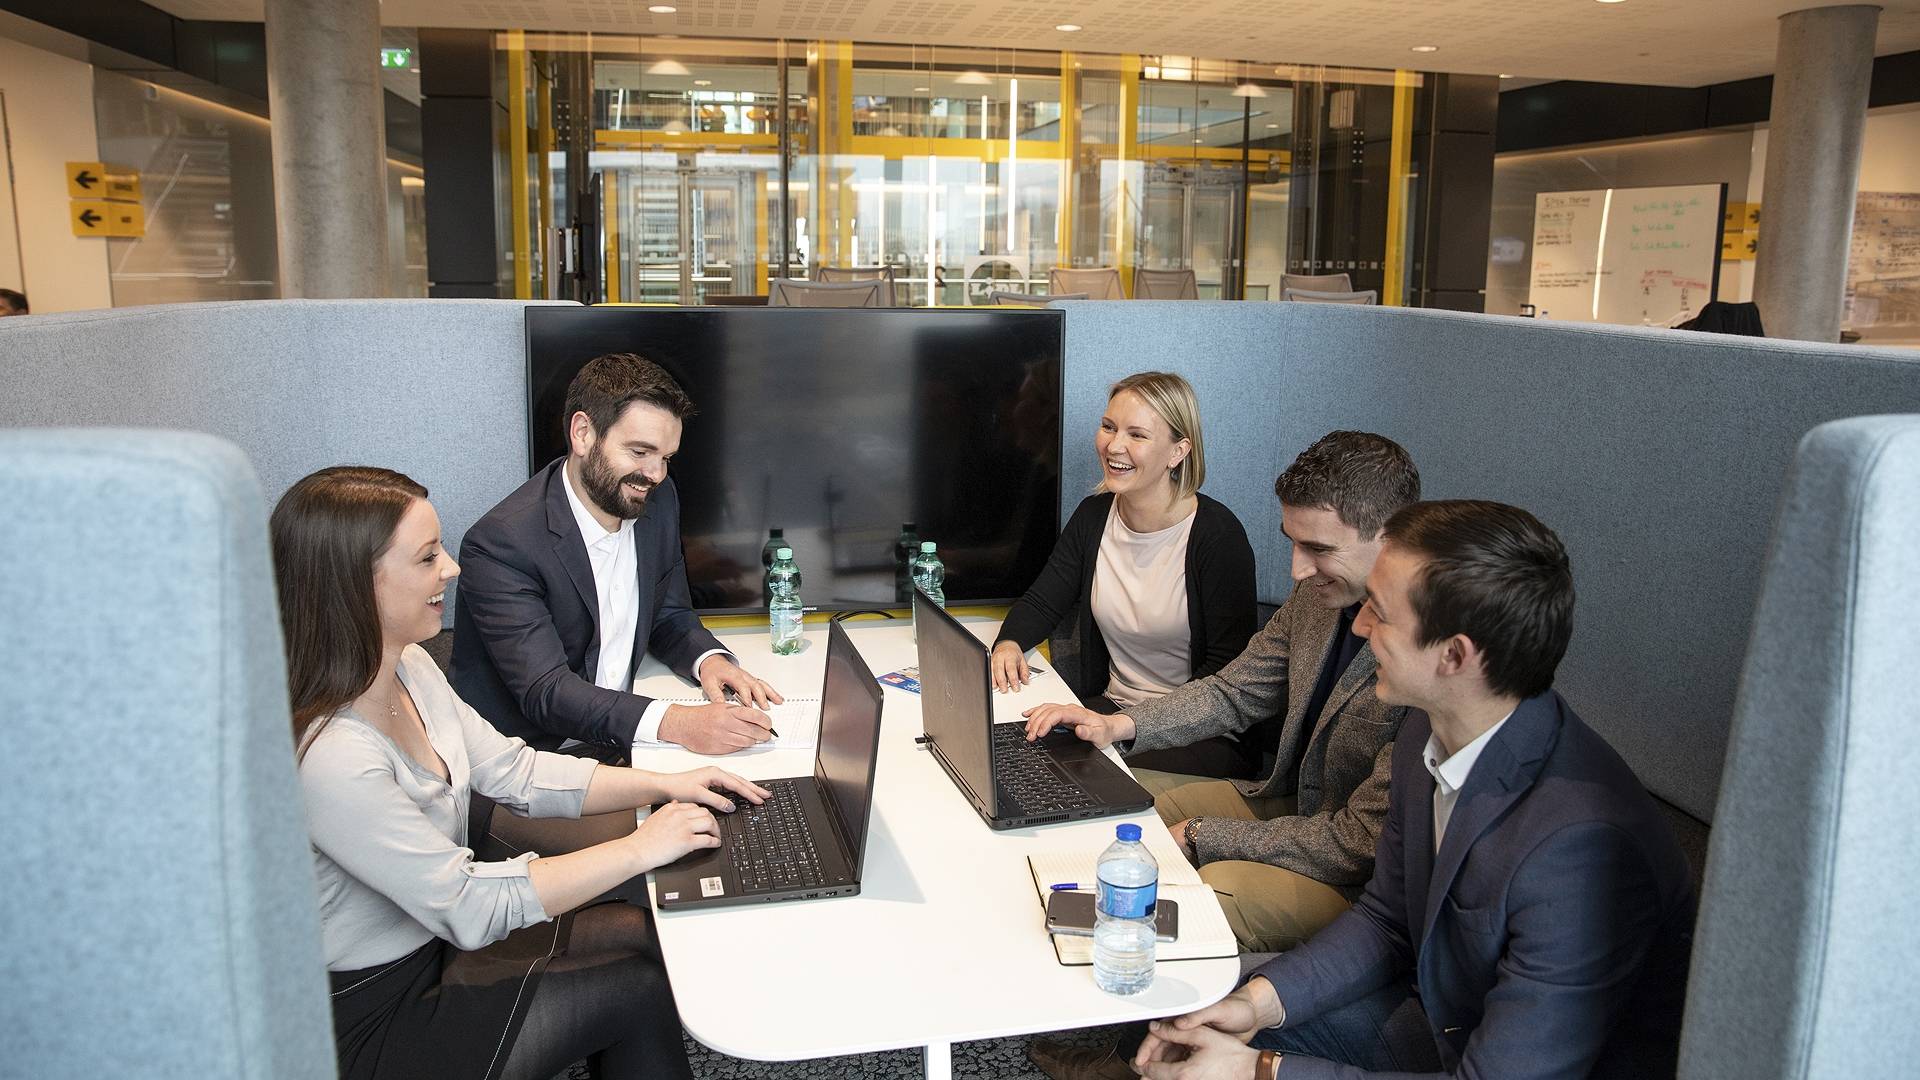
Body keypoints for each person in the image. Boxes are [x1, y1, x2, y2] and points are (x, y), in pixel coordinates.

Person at [1133, 500, 1694, 1080]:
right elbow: (1387, 919)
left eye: (1379, 612)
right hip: (1437, 1013)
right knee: (1194, 1011)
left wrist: (1263, 1070)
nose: (1358, 626)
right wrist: (1255, 1004)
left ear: (1454, 655)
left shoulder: (1580, 846)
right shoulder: (1426, 728)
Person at [275, 466, 769, 1080]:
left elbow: (517, 771)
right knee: (634, 990)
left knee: (642, 936)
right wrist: (642, 846)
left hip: (434, 943)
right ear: (355, 585)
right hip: (370, 1014)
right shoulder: (332, 757)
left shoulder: (410, 669)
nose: (451, 569)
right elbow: (466, 904)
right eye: (428, 558)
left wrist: (666, 782)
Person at [1024, 431, 1421, 1080]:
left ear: (1392, 541)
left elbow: (1359, 841)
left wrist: (1210, 836)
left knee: (1197, 893)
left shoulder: (1419, 644)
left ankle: (1134, 1062)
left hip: (1357, 871)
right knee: (1129, 811)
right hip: (1292, 801)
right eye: (1294, 543)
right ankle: (1108, 1024)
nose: (1294, 569)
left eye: (1317, 549)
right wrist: (1116, 723)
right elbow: (1235, 691)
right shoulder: (1318, 600)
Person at [451, 352, 782, 760]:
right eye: (639, 452)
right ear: (583, 433)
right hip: (534, 759)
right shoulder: (502, 544)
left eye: (666, 458)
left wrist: (709, 661)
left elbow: (668, 612)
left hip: (626, 733)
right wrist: (676, 722)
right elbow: (547, 691)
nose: (656, 474)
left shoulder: (656, 501)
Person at [992, 371, 1259, 778]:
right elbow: (1044, 600)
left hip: (1199, 733)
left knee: (1068, 775)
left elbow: (1227, 677)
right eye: (1108, 427)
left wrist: (1129, 726)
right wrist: (1009, 643)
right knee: (1014, 750)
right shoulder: (1094, 515)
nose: (1114, 445)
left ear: (1178, 451)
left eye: (1137, 434)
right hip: (1111, 710)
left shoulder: (1218, 537)